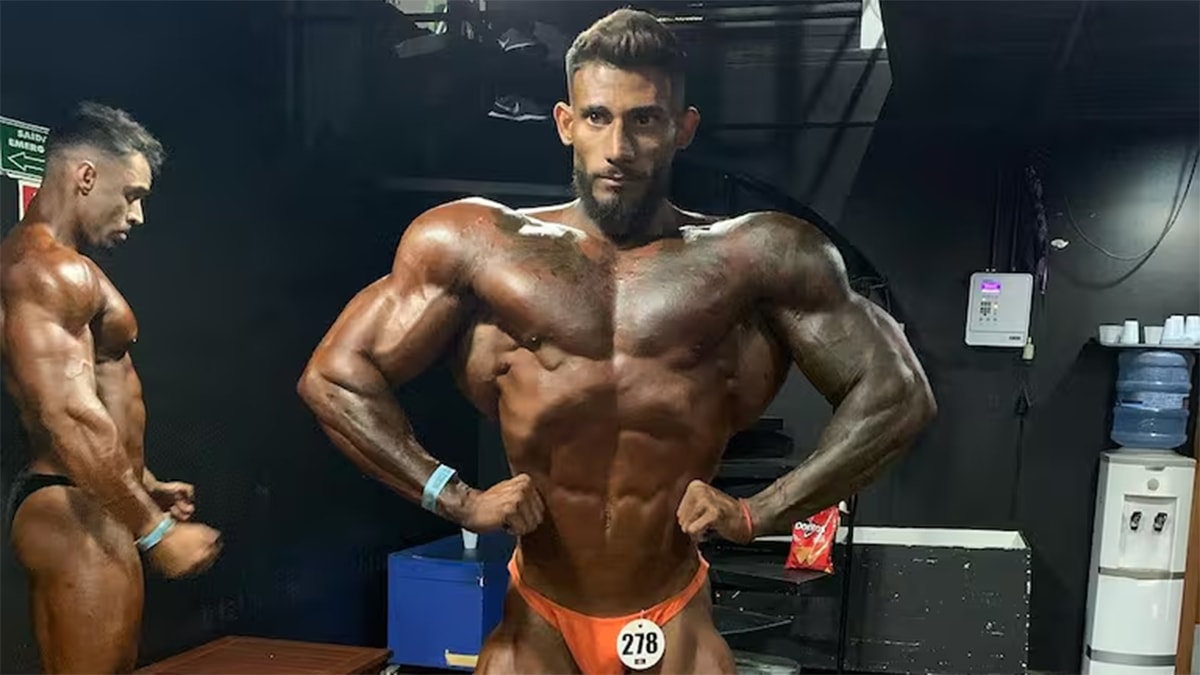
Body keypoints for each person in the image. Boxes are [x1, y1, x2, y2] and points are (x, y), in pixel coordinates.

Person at [298, 8, 936, 674]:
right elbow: (335, 377)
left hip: (672, 606)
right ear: (565, 123)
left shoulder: (758, 256)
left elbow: (899, 396)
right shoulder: (477, 247)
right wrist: (454, 497)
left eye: (645, 120)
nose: (619, 147)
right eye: (597, 117)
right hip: (539, 610)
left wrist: (761, 512)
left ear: (683, 128)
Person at [1, 102, 222, 674]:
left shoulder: (61, 267)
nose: (137, 215)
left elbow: (93, 393)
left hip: (90, 493)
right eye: (131, 195)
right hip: (73, 502)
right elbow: (65, 413)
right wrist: (155, 530)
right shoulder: (46, 269)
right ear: (85, 176)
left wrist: (143, 484)